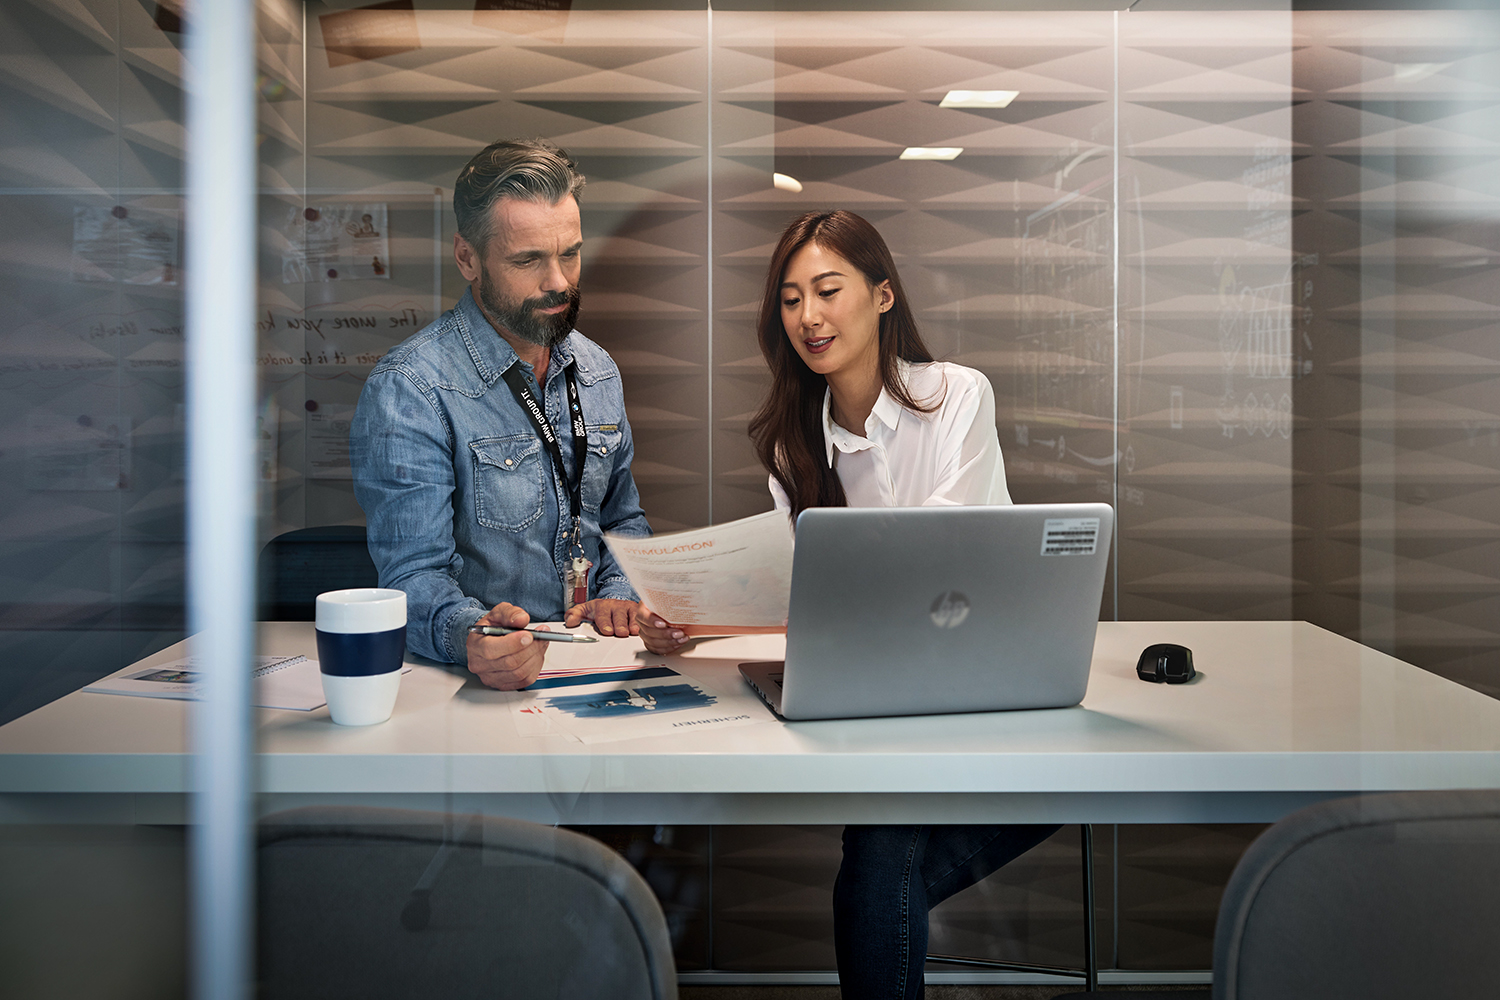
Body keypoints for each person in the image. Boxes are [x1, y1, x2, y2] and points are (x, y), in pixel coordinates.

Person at [758, 210, 1058, 998]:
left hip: (994, 696)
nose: (809, 317)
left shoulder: (956, 395)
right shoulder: (795, 449)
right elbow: (816, 608)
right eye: (791, 300)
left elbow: (948, 574)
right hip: (881, 712)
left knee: (882, 854)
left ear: (883, 295)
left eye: (828, 290)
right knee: (883, 854)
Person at [351, 137, 668, 691]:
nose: (560, 282)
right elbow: (411, 576)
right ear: (467, 258)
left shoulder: (597, 370)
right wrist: (472, 635)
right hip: (474, 685)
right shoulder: (409, 389)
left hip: (598, 669)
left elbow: (621, 520)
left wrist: (620, 591)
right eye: (528, 260)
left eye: (569, 253)